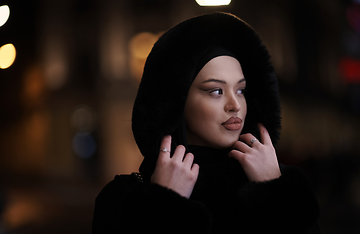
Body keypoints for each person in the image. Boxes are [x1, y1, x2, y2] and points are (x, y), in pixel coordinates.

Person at [92, 12, 320, 233]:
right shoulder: (123, 196)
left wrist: (275, 193)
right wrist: (164, 206)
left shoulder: (285, 187)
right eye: (216, 90)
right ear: (177, 100)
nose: (235, 105)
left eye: (241, 90)